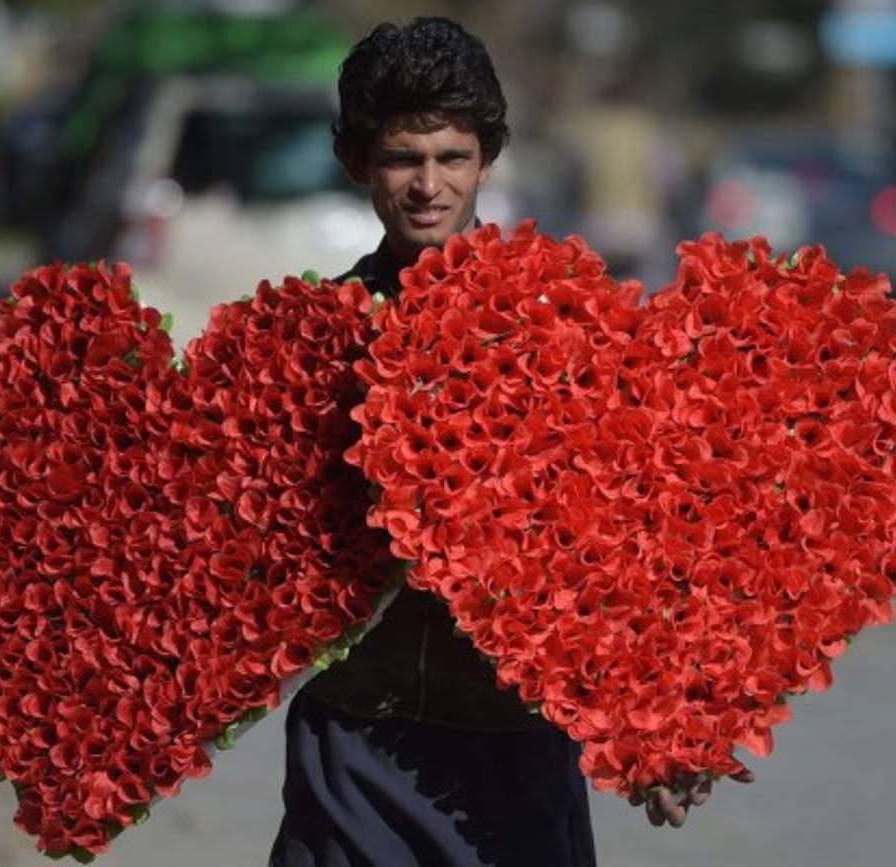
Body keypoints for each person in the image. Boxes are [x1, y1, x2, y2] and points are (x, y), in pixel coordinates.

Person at [268, 18, 740, 867]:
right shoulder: (314, 342)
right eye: (402, 159)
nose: (428, 185)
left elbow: (627, 545)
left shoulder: (566, 327)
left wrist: (664, 729)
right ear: (357, 165)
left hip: (511, 755)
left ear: (488, 160)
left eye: (451, 157)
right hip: (352, 746)